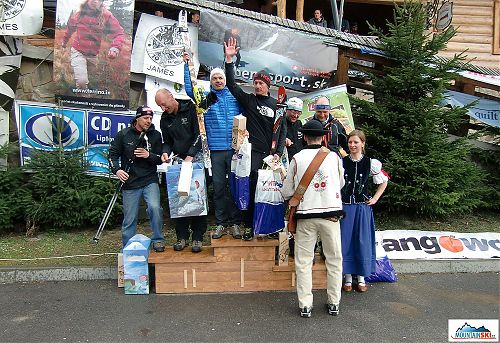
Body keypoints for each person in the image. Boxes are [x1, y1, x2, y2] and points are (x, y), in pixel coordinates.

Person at [224, 37, 287, 241]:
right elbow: (232, 85)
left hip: (270, 157)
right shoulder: (249, 100)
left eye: (261, 83)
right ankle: (251, 226)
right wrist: (228, 61)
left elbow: (282, 131)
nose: (258, 86)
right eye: (256, 83)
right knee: (251, 190)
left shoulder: (277, 106)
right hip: (251, 154)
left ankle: (270, 226)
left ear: (268, 86)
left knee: (270, 193)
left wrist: (277, 154)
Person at [281, 120, 345, 318]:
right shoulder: (334, 157)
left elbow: (287, 191)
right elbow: (340, 183)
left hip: (306, 215)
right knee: (334, 260)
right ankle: (334, 303)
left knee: (303, 262)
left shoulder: (297, 158)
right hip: (331, 215)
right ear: (323, 136)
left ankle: (305, 305)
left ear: (305, 137)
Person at [182, 52, 243, 240]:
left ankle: (234, 223)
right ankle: (220, 223)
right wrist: (187, 65)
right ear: (210, 81)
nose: (218, 81)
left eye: (221, 78)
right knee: (218, 188)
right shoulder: (207, 99)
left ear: (225, 79)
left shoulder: (234, 96)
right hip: (215, 150)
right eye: (215, 78)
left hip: (234, 149)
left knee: (234, 186)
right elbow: (190, 89)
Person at [155, 88, 207, 253]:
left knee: (197, 198)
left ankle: (198, 237)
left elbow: (200, 134)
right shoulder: (165, 118)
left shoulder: (190, 108)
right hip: (178, 161)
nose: (164, 109)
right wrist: (165, 152)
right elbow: (167, 141)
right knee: (179, 200)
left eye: (164, 104)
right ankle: (181, 236)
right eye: (160, 106)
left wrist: (190, 155)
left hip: (195, 159)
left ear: (171, 97)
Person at [108, 106, 165, 252]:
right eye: (146, 118)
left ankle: (158, 239)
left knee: (154, 207)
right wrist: (117, 170)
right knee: (130, 217)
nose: (149, 121)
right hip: (130, 181)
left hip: (149, 179)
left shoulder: (155, 135)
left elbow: (160, 159)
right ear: (137, 118)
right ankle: (128, 247)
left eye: (151, 118)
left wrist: (148, 155)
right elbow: (112, 155)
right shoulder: (124, 134)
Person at [340, 130, 388, 293]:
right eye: (350, 142)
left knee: (362, 241)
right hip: (345, 207)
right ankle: (347, 277)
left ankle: (361, 277)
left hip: (362, 207)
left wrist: (375, 198)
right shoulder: (341, 162)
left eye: (355, 142)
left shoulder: (370, 163)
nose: (352, 145)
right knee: (345, 241)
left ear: (362, 144)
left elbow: (384, 181)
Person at [62, 0, 125, 90]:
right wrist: (64, 41)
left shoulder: (106, 15)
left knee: (92, 80)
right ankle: (81, 100)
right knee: (82, 82)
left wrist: (115, 48)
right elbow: (70, 29)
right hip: (78, 52)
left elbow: (119, 33)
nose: (95, 1)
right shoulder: (79, 14)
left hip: (93, 55)